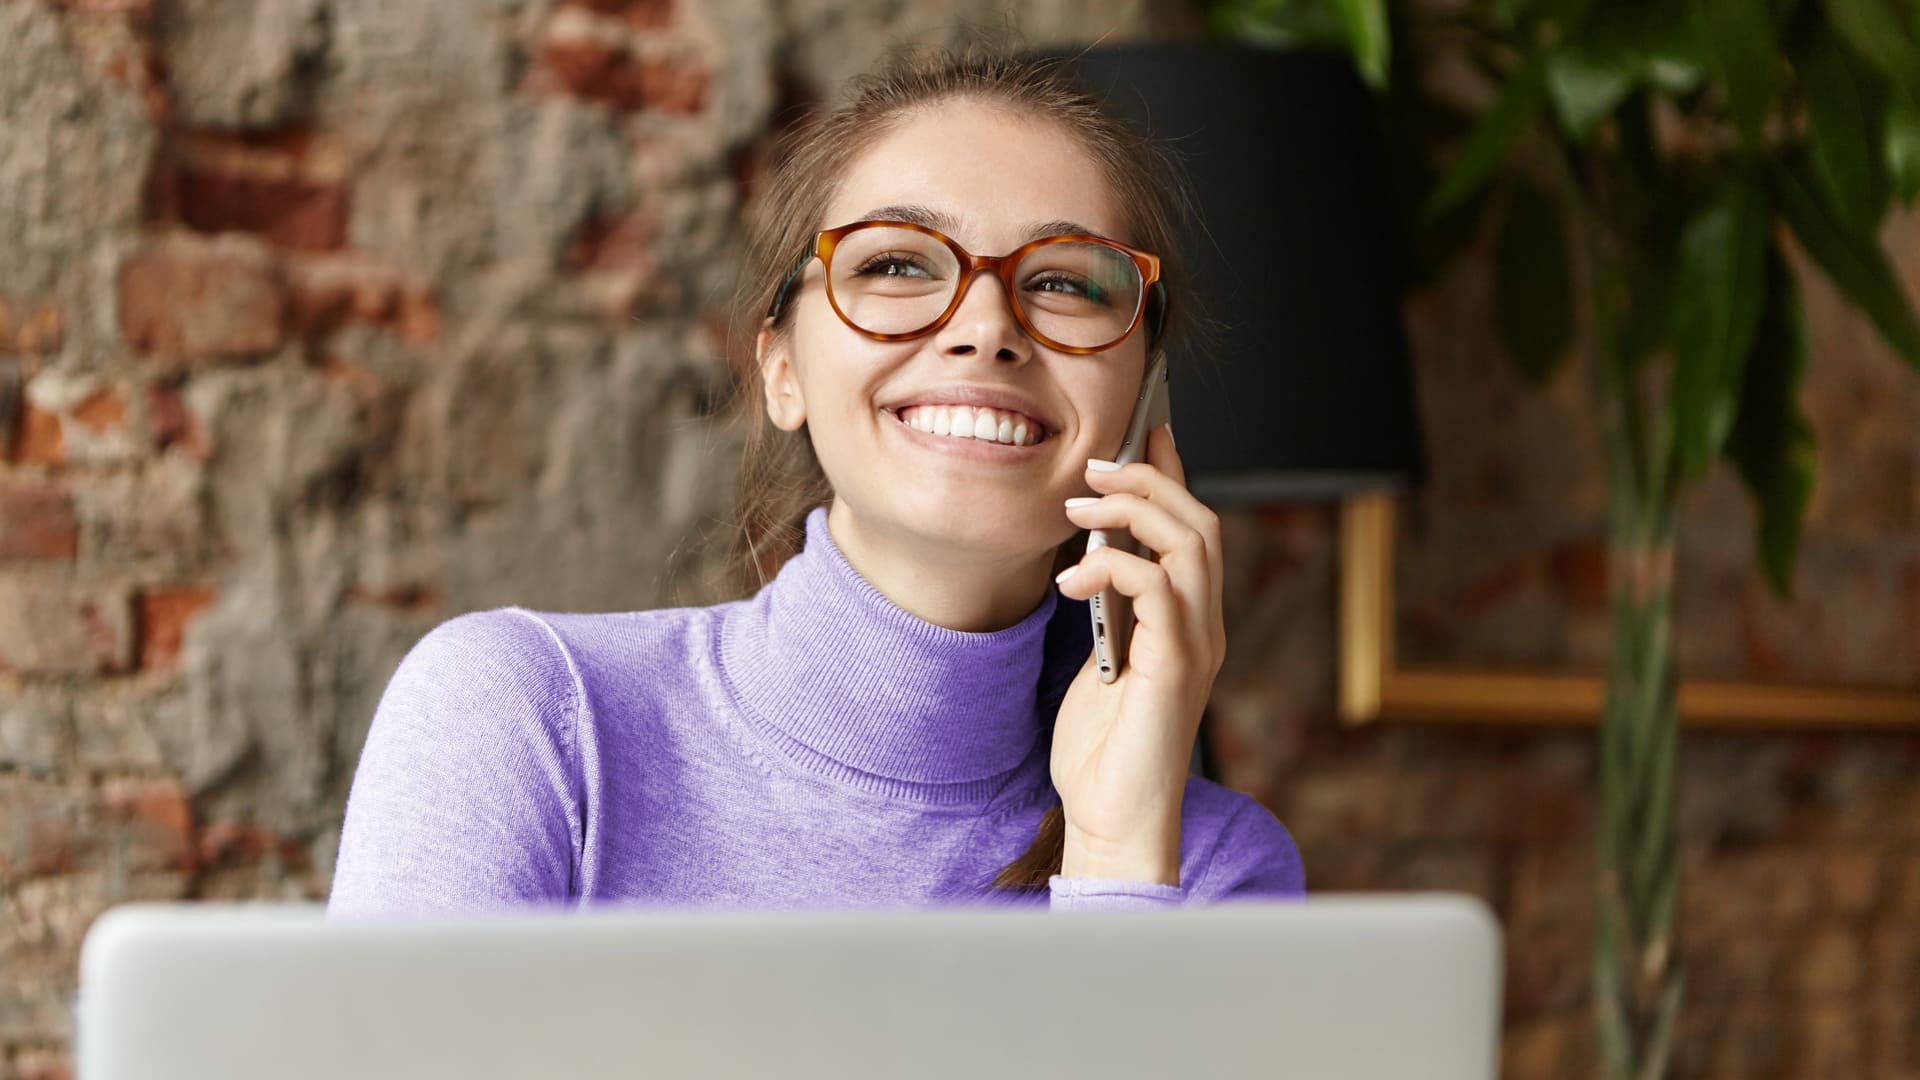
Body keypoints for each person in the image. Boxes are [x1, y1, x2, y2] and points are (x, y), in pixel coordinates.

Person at [326, 39, 1305, 919]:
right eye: (895, 265)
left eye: (1064, 282)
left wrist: (1116, 856)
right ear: (781, 370)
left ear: (1146, 393)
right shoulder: (527, 718)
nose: (985, 327)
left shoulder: (1213, 870)